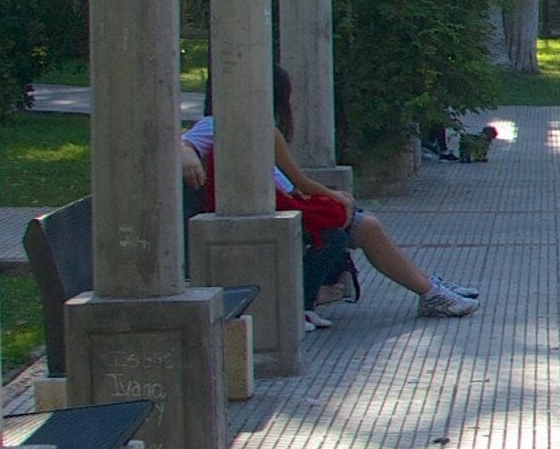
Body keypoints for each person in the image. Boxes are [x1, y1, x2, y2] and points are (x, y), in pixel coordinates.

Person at [179, 66, 480, 323]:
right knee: (363, 225)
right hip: (279, 209)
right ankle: (429, 292)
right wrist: (189, 156)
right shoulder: (218, 124)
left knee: (359, 221)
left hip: (288, 203)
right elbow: (184, 143)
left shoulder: (259, 128)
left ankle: (428, 286)